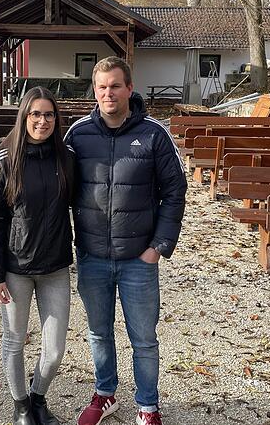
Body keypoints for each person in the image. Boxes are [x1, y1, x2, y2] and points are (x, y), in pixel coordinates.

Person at [64, 56, 187, 425]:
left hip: (139, 259)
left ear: (130, 89)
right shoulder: (78, 134)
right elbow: (56, 184)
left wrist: (158, 248)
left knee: (144, 339)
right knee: (99, 333)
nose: (108, 93)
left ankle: (148, 406)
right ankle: (105, 394)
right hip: (93, 256)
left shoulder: (153, 133)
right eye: (101, 87)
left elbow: (175, 191)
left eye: (115, 86)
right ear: (95, 90)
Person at [0, 87, 75, 425]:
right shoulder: (4, 160)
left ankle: (37, 399)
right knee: (14, 340)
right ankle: (21, 407)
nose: (42, 120)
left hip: (54, 269)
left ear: (56, 119)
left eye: (49, 114)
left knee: (54, 352)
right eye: (35, 114)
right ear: (24, 116)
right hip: (16, 269)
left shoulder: (65, 158)